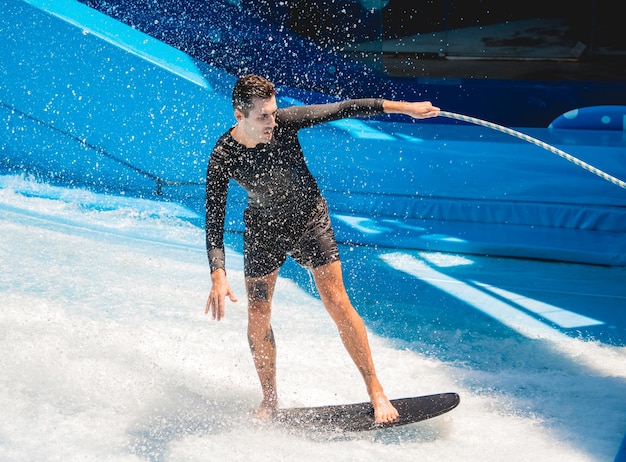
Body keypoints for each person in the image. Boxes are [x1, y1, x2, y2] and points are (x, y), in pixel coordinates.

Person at [205, 74, 439, 424]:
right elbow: (213, 218)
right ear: (239, 116)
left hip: (308, 220)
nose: (272, 121)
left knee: (336, 301)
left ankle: (376, 389)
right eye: (262, 116)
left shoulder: (285, 123)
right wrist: (218, 274)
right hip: (263, 230)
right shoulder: (223, 155)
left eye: (273, 111)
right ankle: (269, 401)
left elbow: (345, 108)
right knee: (257, 317)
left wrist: (408, 109)